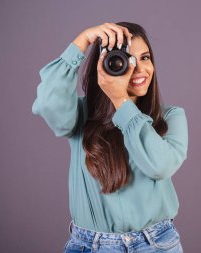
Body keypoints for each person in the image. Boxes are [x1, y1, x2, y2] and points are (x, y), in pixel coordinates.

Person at [32, 21, 188, 253]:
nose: (139, 69)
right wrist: (82, 40)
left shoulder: (171, 116)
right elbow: (47, 103)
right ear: (103, 67)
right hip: (88, 245)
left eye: (145, 58)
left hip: (155, 245)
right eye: (124, 60)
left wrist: (120, 100)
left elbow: (160, 166)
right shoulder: (81, 117)